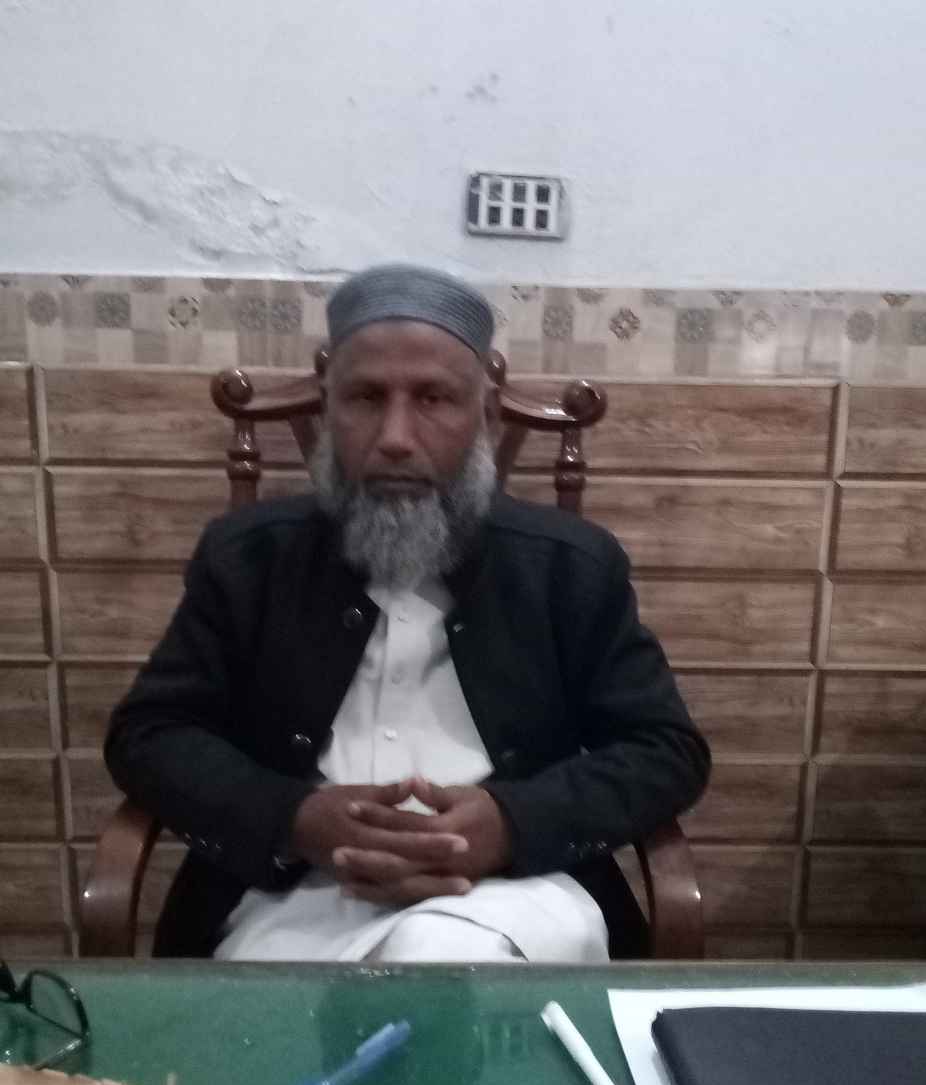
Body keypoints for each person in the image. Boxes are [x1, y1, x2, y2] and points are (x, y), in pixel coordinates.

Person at [103, 263, 710, 963]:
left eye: (433, 398)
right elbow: (149, 735)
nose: (395, 436)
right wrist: (294, 818)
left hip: (520, 886)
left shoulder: (569, 565)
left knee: (435, 953)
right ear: (329, 410)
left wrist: (511, 822)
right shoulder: (247, 558)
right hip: (294, 892)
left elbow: (664, 751)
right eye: (365, 397)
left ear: (484, 418)